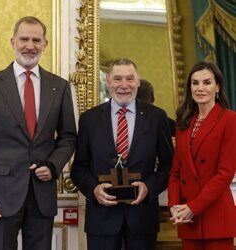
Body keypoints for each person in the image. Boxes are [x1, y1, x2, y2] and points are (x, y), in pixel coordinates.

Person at [0, 16, 77, 250]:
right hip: (0, 195)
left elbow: (68, 137)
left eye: (36, 40)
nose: (30, 45)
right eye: (24, 39)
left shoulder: (60, 86)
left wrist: (53, 165)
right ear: (12, 42)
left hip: (41, 196)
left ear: (45, 45)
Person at [71, 58, 174, 250]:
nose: (124, 85)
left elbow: (169, 164)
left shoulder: (156, 117)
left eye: (129, 78)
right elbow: (79, 168)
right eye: (117, 79)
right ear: (108, 81)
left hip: (142, 217)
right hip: (101, 218)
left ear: (138, 81)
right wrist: (93, 189)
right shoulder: (89, 119)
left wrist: (149, 187)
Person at [168, 61, 236, 250]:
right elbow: (176, 171)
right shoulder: (183, 122)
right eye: (195, 83)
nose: (200, 88)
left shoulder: (230, 119)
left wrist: (193, 208)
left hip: (216, 216)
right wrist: (174, 205)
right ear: (189, 87)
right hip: (188, 220)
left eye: (206, 82)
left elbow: (225, 173)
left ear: (217, 87)